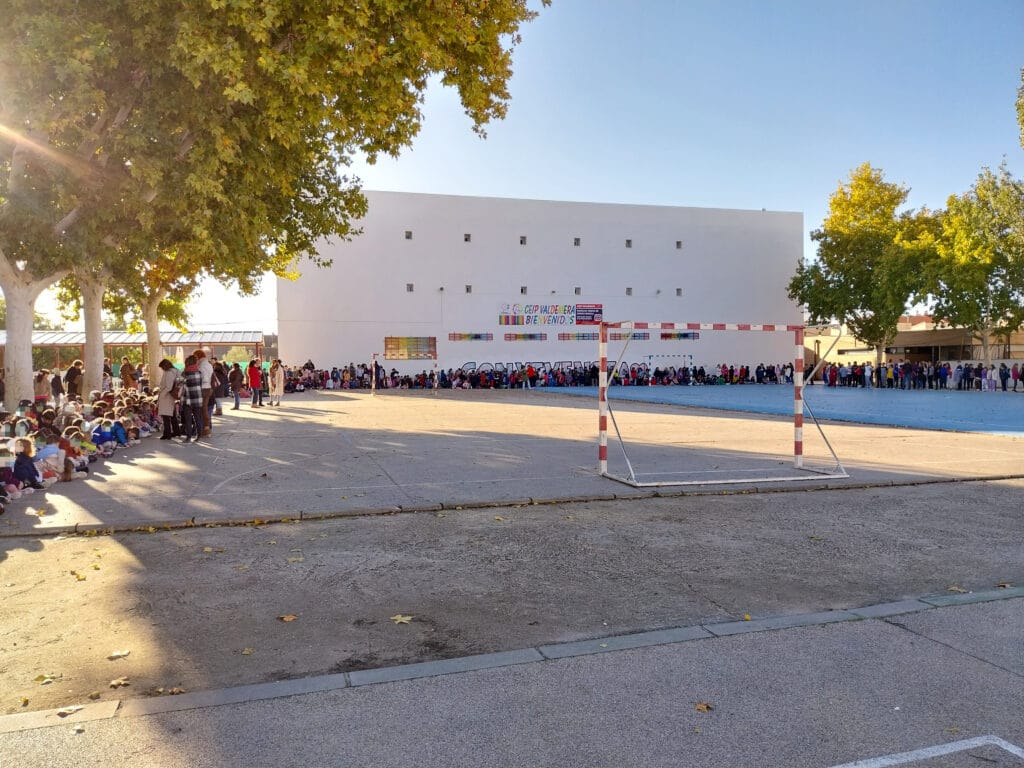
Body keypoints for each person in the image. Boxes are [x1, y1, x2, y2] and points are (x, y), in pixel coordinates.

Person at [178, 355, 203, 443]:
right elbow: (200, 384)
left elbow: (179, 384)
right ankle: (199, 435)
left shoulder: (184, 373)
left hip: (187, 398)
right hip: (197, 397)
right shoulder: (199, 372)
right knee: (198, 418)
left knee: (188, 419)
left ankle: (188, 437)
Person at [156, 359, 180, 440]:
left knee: (165, 416)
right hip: (171, 396)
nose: (162, 369)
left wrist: (162, 395)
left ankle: (167, 434)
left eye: (162, 367)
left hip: (166, 396)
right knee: (172, 415)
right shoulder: (176, 371)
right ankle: (176, 431)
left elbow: (169, 387)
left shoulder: (169, 373)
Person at [192, 349, 214, 436]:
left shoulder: (202, 365)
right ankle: (206, 428)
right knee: (204, 409)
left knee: (202, 410)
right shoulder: (208, 364)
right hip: (208, 388)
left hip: (203, 388)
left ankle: (205, 429)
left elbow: (204, 378)